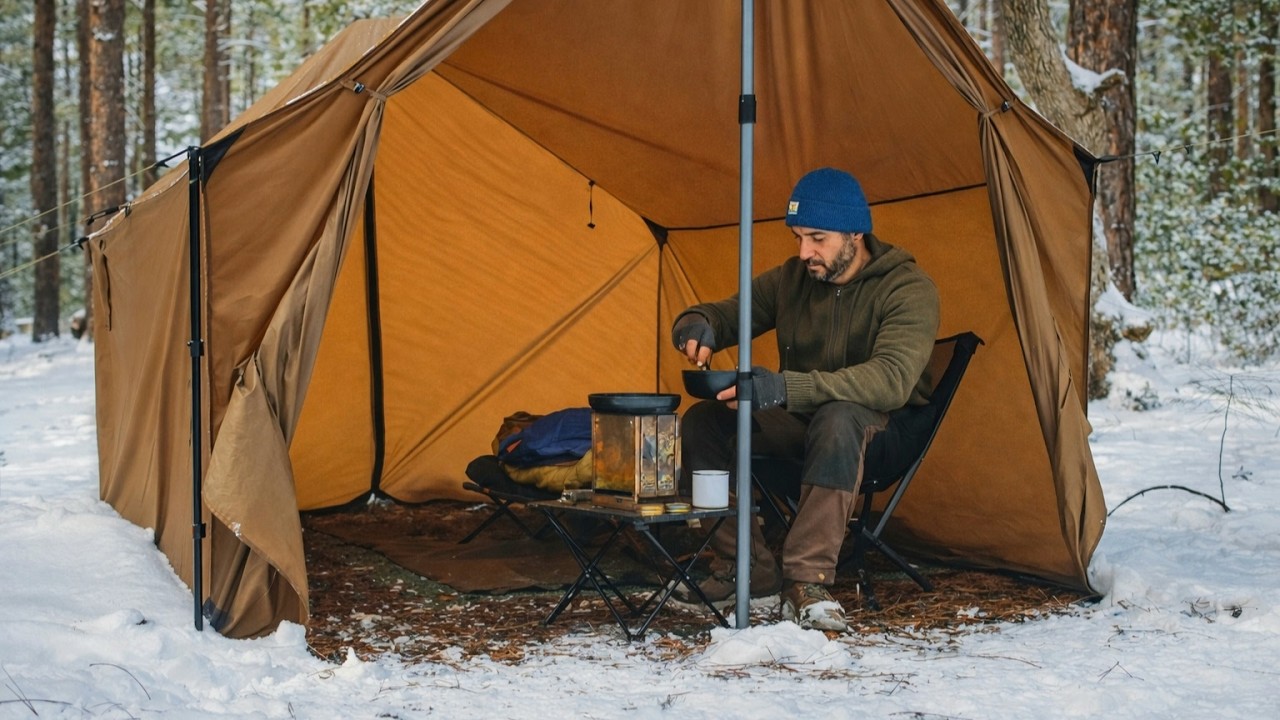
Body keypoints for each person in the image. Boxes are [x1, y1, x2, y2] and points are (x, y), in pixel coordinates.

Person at [672, 167, 940, 631]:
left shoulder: (907, 289)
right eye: (798, 237)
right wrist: (698, 324)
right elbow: (727, 313)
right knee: (705, 422)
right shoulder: (794, 280)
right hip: (803, 420)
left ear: (856, 232)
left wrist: (785, 387)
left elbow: (891, 380)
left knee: (839, 418)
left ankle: (807, 580)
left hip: (881, 431)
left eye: (817, 238)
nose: (804, 252)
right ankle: (748, 568)